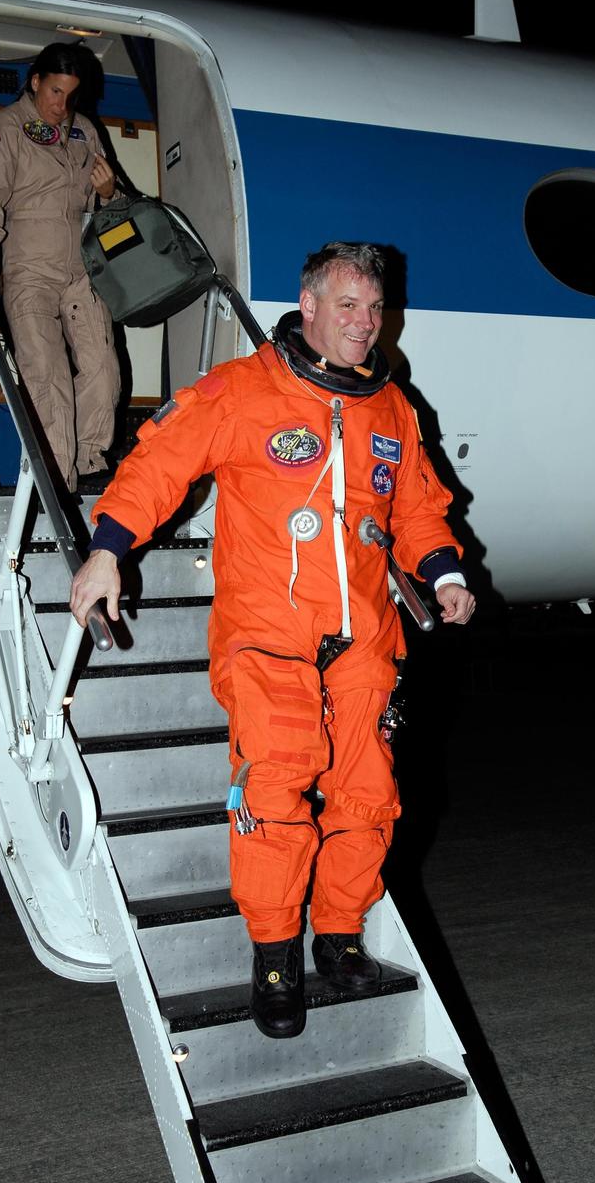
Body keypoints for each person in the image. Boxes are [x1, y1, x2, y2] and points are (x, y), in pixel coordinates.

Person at [70, 242, 476, 1038]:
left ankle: (340, 932)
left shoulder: (390, 407)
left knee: (367, 796)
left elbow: (417, 507)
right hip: (269, 636)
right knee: (274, 795)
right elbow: (160, 463)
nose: (366, 324)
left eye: (375, 309)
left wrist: (444, 572)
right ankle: (274, 953)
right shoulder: (243, 391)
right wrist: (108, 549)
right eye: (350, 307)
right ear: (310, 304)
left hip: (364, 637)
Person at [0, 43, 120, 491]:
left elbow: (113, 210)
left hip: (81, 270)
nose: (61, 106)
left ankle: (86, 464)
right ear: (35, 82)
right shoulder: (3, 129)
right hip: (29, 271)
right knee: (49, 382)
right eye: (55, 92)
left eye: (71, 96)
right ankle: (59, 489)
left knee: (104, 372)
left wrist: (108, 192)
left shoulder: (84, 131)